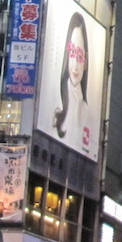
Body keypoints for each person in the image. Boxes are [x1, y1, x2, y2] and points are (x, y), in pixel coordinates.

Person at [53, 12, 98, 156]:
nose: (76, 65)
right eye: (72, 54)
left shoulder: (87, 110)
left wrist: (79, 106)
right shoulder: (55, 97)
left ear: (86, 63)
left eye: (80, 56)